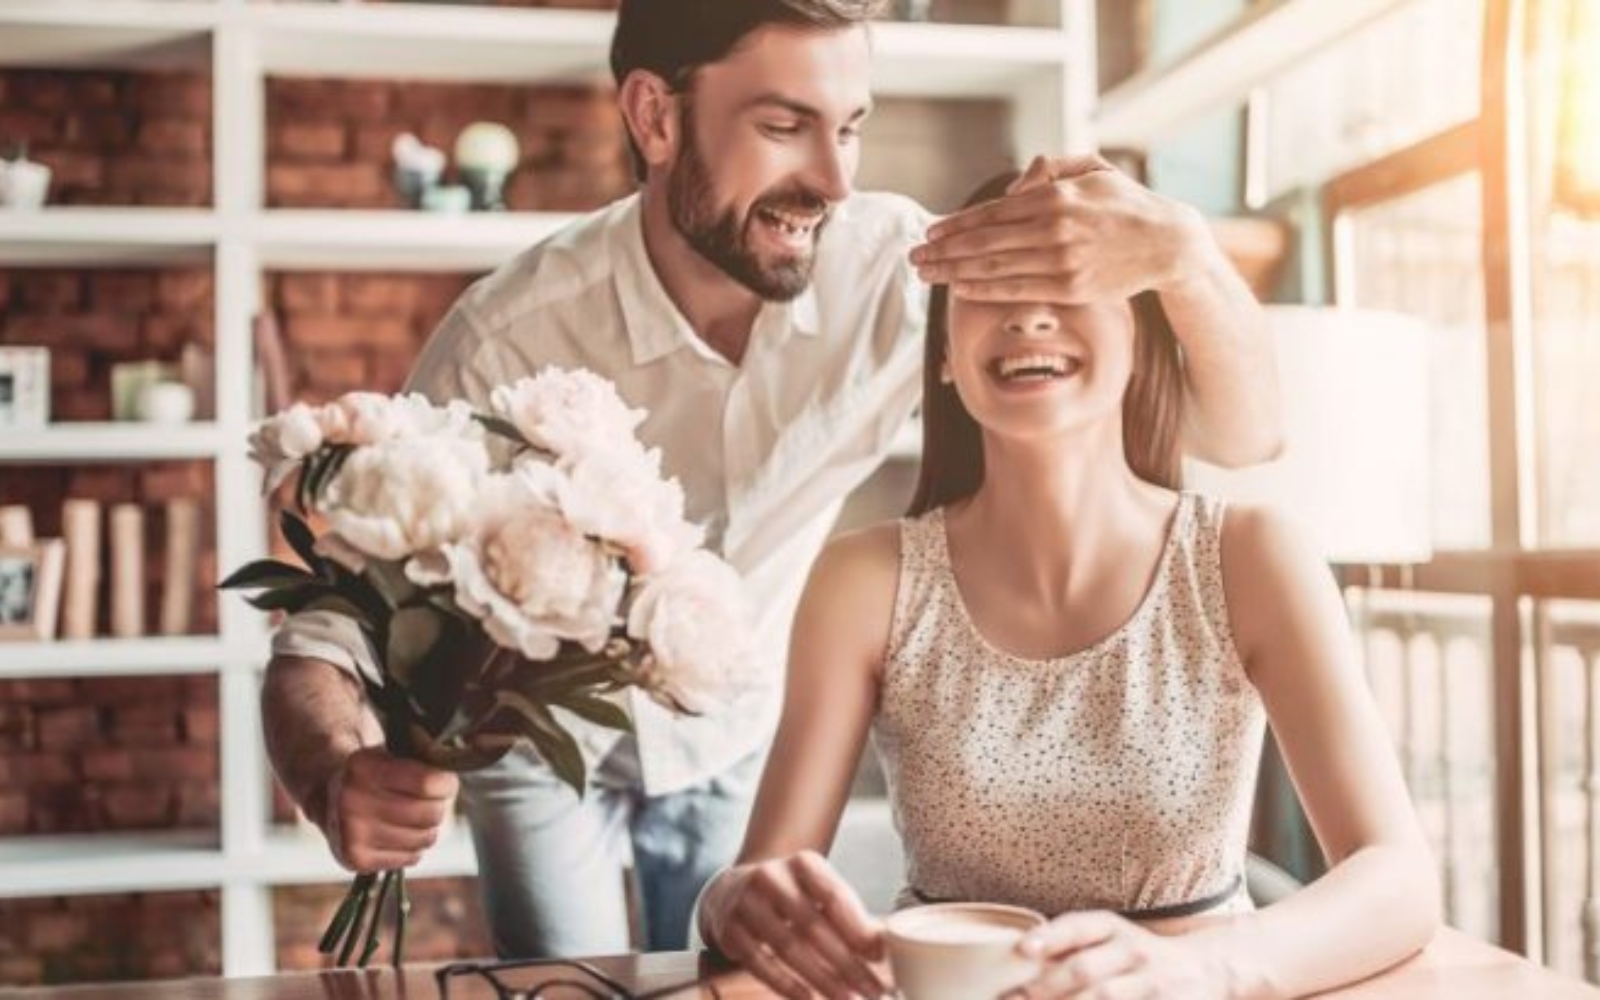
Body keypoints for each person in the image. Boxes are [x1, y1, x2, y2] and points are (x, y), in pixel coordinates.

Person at [260, 0, 1282, 960]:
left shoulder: (897, 267)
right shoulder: (506, 336)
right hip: (540, 747)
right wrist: (333, 772)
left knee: (730, 981)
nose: (833, 183)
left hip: (742, 730)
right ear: (655, 118)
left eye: (850, 128)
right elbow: (324, 636)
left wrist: (1182, 258)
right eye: (786, 125)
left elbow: (1247, 434)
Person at [695, 169, 1439, 1000]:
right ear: (943, 354)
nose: (1026, 312)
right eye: (989, 285)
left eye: (1065, 281)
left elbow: (1400, 878)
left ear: (1141, 337)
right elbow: (762, 879)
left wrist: (1200, 969)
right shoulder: (865, 578)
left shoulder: (1253, 557)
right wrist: (728, 901)